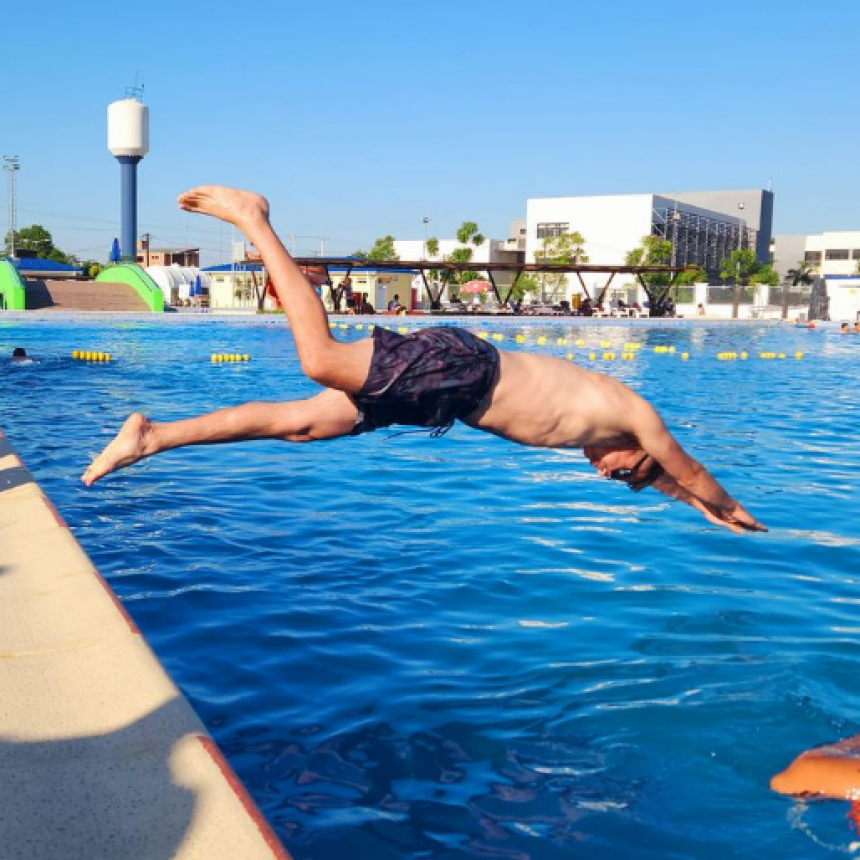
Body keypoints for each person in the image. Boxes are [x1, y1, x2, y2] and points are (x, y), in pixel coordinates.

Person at [81, 185, 766, 535]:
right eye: (621, 474)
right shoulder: (633, 415)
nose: (603, 473)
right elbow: (688, 468)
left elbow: (671, 482)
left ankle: (154, 436)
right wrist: (727, 505)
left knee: (301, 424)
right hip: (463, 370)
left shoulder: (613, 437)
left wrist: (693, 506)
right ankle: (253, 217)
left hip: (445, 398)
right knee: (319, 361)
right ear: (635, 452)